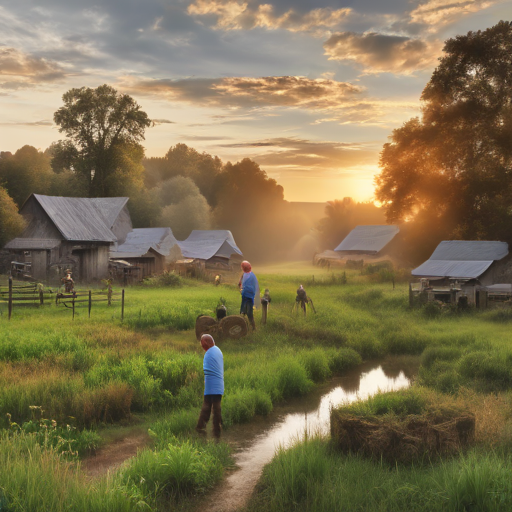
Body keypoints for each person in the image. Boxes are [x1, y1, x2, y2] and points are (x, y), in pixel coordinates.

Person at [196, 334, 224, 438]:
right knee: (210, 408)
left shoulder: (210, 353)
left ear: (206, 343)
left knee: (213, 408)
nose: (202, 347)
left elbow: (208, 371)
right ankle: (211, 430)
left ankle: (215, 431)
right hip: (215, 385)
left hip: (213, 386)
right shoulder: (217, 350)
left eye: (202, 344)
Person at [239, 260, 259, 330]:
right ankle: (244, 326)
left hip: (249, 296)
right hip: (246, 296)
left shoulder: (250, 275)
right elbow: (240, 284)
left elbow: (255, 286)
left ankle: (253, 327)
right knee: (244, 312)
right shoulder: (246, 275)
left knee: (248, 313)